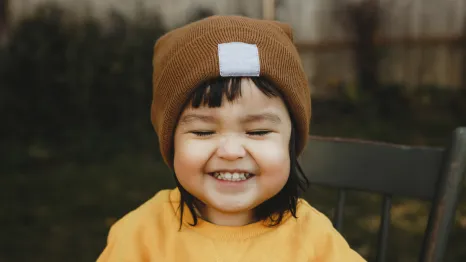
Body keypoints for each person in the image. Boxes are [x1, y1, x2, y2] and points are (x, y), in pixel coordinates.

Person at [97, 15, 366, 262]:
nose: (231, 151)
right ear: (171, 142)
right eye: (203, 131)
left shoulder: (314, 239)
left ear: (290, 142)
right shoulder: (141, 235)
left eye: (258, 132)